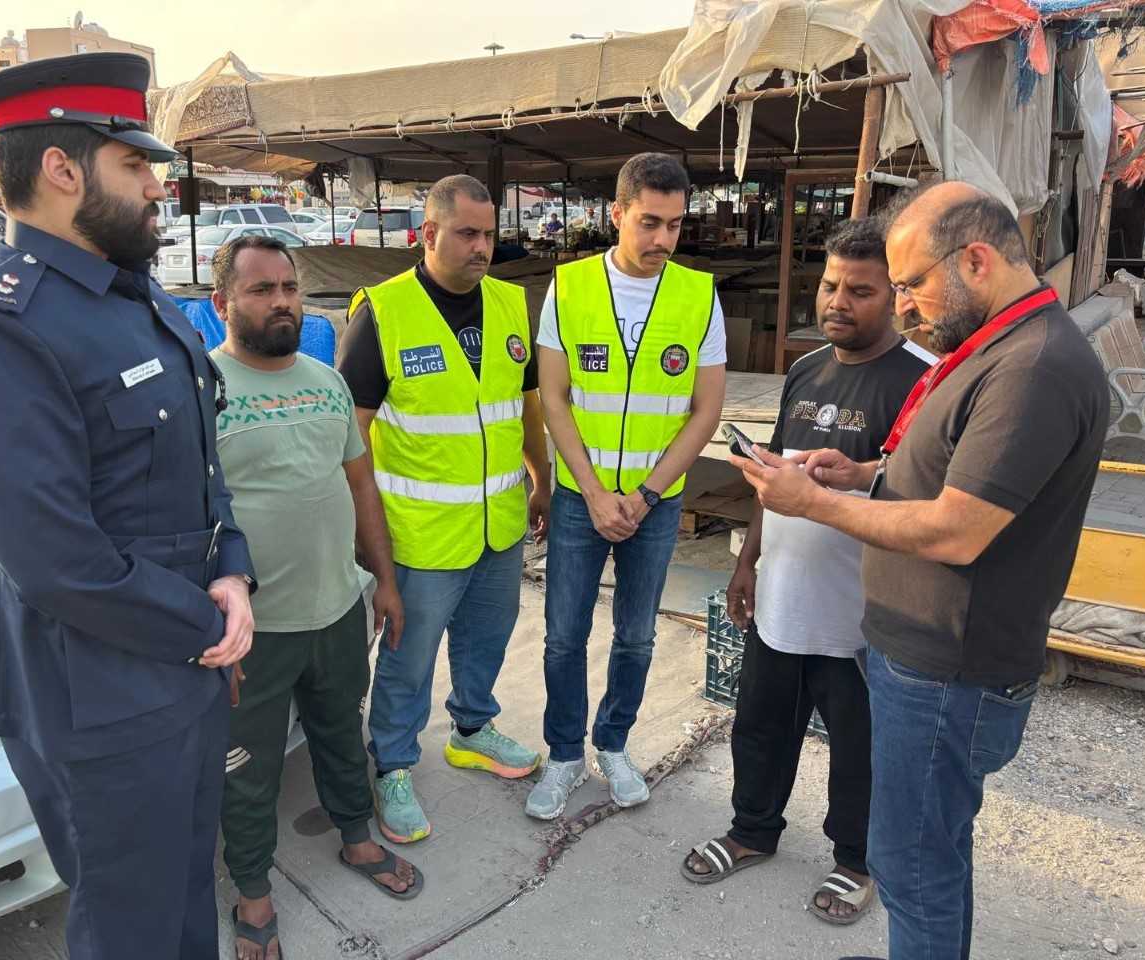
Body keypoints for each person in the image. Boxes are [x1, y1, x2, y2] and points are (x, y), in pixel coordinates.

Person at [0, 53, 256, 960]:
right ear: (63, 169)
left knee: (188, 896)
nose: (158, 185)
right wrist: (210, 624)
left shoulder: (132, 295)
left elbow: (200, 464)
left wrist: (233, 571)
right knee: (132, 927)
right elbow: (56, 559)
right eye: (134, 164)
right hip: (102, 698)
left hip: (184, 663)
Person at [728, 183, 1108, 960]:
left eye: (909, 284)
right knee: (923, 855)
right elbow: (948, 478)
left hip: (949, 671)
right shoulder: (997, 349)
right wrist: (864, 475)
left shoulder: (1032, 366)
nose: (904, 306)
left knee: (912, 867)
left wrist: (813, 502)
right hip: (928, 659)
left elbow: (957, 531)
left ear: (976, 261)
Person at [679, 218, 933, 925]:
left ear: (896, 297)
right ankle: (752, 830)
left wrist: (862, 476)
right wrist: (748, 562)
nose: (837, 302)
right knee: (760, 725)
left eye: (860, 291)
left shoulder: (923, 381)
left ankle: (858, 859)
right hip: (784, 599)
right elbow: (773, 480)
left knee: (860, 748)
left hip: (863, 615)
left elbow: (929, 495)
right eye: (829, 285)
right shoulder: (805, 370)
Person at [208, 235, 423, 960]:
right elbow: (186, 518)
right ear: (222, 303)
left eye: (289, 288)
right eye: (261, 289)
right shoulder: (201, 390)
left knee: (339, 732)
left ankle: (357, 838)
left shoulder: (328, 382)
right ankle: (253, 891)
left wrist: (383, 581)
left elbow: (361, 486)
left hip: (336, 609)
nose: (282, 302)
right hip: (253, 628)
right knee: (249, 766)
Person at [336, 174, 550, 844]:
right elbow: (352, 436)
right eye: (466, 234)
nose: (481, 247)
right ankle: (393, 763)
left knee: (488, 637)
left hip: (498, 525)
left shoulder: (511, 304)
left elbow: (527, 405)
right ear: (428, 233)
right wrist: (363, 534)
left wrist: (540, 476)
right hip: (421, 534)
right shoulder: (383, 312)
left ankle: (472, 728)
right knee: (409, 656)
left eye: (489, 234)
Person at [527, 152, 727, 819]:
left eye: (675, 225)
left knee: (637, 635)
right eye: (649, 222)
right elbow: (554, 398)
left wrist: (644, 497)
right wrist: (591, 493)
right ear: (616, 214)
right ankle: (564, 755)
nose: (663, 239)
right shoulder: (570, 287)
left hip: (655, 505)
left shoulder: (698, 295)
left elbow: (705, 411)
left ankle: (612, 744)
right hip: (579, 501)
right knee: (563, 635)